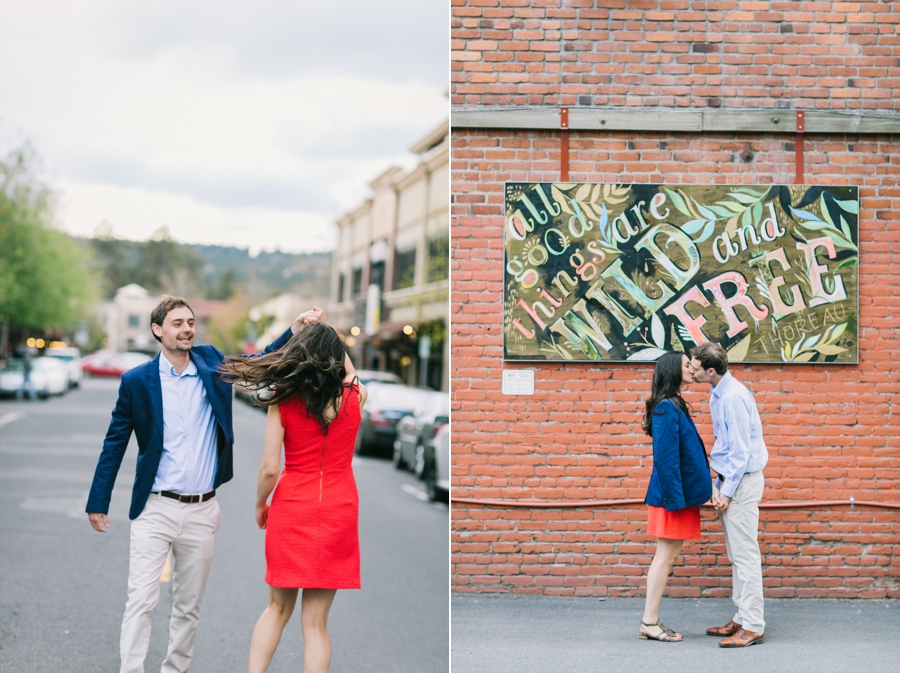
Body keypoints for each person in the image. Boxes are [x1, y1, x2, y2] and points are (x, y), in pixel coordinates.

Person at [85, 296, 319, 673]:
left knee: (187, 607)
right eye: (177, 323)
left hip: (202, 509)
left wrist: (293, 330)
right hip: (155, 507)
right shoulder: (136, 381)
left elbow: (258, 363)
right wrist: (99, 500)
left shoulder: (211, 364)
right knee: (141, 599)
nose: (187, 329)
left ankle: (174, 670)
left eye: (190, 322)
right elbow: (114, 443)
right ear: (158, 330)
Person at [219, 319, 367, 673]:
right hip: (339, 507)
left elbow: (270, 467)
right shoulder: (355, 397)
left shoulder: (283, 403)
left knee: (276, 609)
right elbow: (351, 372)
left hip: (293, 507)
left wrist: (259, 503)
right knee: (315, 624)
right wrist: (329, 331)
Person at [689, 341, 768, 648]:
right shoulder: (720, 392)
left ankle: (753, 626)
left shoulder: (733, 397)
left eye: (695, 368)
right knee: (737, 553)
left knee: (745, 555)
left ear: (711, 370)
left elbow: (739, 451)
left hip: (741, 482)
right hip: (733, 481)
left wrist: (727, 492)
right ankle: (742, 616)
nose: (692, 372)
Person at [639, 351, 712, 642]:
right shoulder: (666, 408)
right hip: (672, 497)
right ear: (672, 370)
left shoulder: (673, 404)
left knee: (668, 557)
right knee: (665, 558)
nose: (692, 368)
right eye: (686, 364)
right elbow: (666, 459)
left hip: (676, 496)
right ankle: (649, 621)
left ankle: (650, 620)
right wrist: (675, 501)